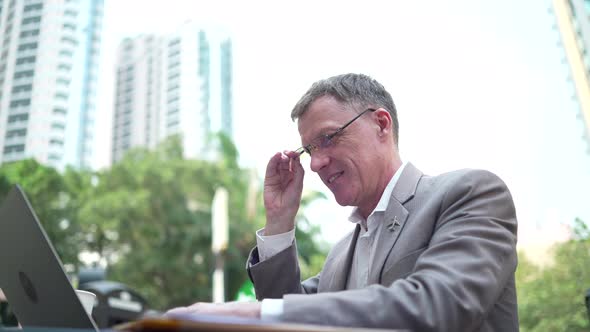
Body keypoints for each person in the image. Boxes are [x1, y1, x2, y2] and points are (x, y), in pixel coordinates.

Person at [167, 73, 519, 331]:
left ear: (381, 124)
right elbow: (287, 316)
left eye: (329, 138)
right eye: (309, 150)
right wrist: (278, 222)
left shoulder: (470, 193)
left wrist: (251, 314)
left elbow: (438, 306)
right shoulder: (339, 256)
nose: (317, 163)